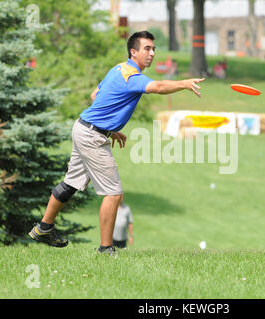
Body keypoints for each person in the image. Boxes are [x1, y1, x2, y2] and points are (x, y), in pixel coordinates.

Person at [28, 31, 205, 254]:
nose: (151, 53)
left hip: (83, 127)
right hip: (92, 136)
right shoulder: (132, 76)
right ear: (134, 52)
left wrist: (110, 130)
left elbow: (95, 95)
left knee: (71, 183)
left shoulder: (117, 69)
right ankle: (105, 249)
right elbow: (158, 88)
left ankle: (43, 227)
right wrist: (185, 83)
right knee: (113, 193)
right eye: (146, 49)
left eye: (153, 49)